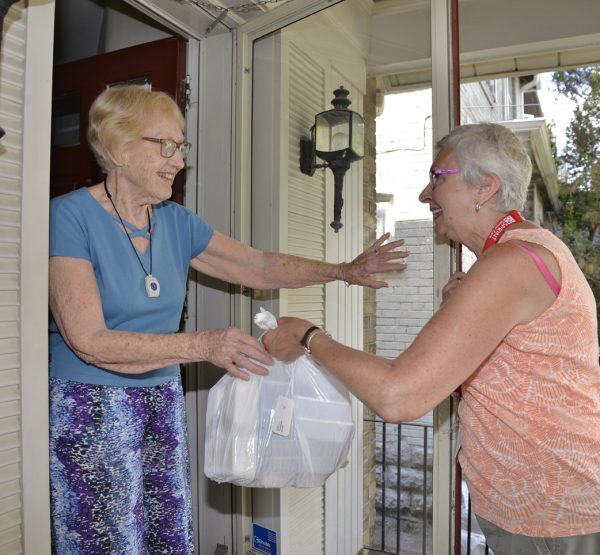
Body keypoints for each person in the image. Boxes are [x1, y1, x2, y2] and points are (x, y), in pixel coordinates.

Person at [48, 85, 409, 554]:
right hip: (90, 406)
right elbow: (89, 340)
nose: (178, 160)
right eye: (165, 145)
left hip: (160, 396)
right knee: (105, 542)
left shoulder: (176, 221)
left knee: (166, 535)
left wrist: (343, 271)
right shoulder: (69, 216)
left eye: (182, 146)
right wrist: (200, 345)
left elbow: (256, 265)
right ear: (117, 148)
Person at [264, 123, 600, 554]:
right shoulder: (516, 256)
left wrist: (307, 334)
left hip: (558, 516)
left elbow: (398, 395)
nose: (425, 195)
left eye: (437, 178)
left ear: (485, 188)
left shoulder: (512, 262)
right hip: (532, 512)